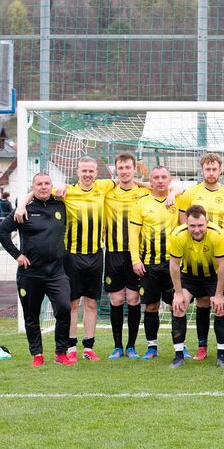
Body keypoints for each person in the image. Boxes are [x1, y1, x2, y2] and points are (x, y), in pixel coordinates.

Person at [15, 157, 116, 362]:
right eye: (84, 171)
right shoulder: (65, 191)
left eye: (91, 171)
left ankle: (88, 348)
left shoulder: (103, 186)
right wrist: (21, 205)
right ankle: (70, 348)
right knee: (72, 303)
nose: (87, 174)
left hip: (97, 254)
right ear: (77, 172)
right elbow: (37, 191)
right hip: (72, 255)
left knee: (91, 303)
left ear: (96, 173)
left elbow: (127, 181)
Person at [0, 173, 73, 366]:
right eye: (39, 184)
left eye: (47, 183)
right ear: (33, 187)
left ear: (51, 186)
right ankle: (37, 355)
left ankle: (61, 353)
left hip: (57, 273)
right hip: (30, 274)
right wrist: (17, 255)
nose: (43, 187)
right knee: (31, 316)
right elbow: (1, 231)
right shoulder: (24, 210)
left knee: (64, 309)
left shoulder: (61, 205)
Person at [177, 153, 224, 361]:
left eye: (214, 169)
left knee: (222, 301)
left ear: (220, 171)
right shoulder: (191, 194)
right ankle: (202, 346)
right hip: (196, 255)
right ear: (202, 170)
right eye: (207, 169)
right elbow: (183, 221)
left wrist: (218, 239)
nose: (211, 173)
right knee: (202, 301)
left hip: (221, 255)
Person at [168, 205, 224, 368]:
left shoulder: (218, 234)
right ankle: (178, 356)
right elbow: (174, 265)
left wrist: (218, 295)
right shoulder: (177, 235)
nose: (196, 230)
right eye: (192, 226)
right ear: (186, 224)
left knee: (220, 307)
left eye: (200, 225)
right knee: (178, 307)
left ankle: (222, 356)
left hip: (212, 276)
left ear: (207, 222)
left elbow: (223, 265)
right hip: (189, 276)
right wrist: (178, 293)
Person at [129, 166, 181, 360]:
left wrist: (174, 192)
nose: (160, 180)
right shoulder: (141, 203)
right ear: (150, 181)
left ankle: (180, 346)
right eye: (156, 177)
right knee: (151, 306)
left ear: (170, 180)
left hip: (173, 264)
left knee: (177, 306)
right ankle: (152, 347)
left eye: (164, 177)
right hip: (149, 264)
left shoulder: (178, 199)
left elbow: (184, 188)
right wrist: (135, 260)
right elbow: (133, 234)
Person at [104, 152, 149, 359]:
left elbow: (167, 187)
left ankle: (131, 346)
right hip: (113, 253)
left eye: (128, 167)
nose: (124, 171)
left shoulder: (144, 192)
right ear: (116, 170)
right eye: (120, 168)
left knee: (133, 299)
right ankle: (117, 347)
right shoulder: (108, 192)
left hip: (136, 254)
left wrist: (142, 182)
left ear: (134, 169)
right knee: (116, 299)